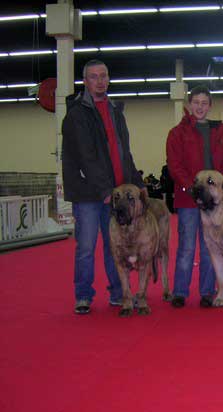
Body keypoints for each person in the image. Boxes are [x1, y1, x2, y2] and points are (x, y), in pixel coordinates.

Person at [62, 59, 145, 315]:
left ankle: (118, 293)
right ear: (85, 81)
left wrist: (139, 187)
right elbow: (87, 157)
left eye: (104, 76)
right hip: (89, 193)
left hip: (116, 194)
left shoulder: (116, 112)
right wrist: (105, 191)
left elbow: (124, 153)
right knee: (86, 246)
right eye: (94, 77)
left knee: (114, 247)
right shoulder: (77, 114)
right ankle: (83, 295)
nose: (100, 81)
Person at [166, 85, 223, 309]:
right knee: (186, 247)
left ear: (210, 106)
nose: (200, 107)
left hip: (214, 204)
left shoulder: (219, 133)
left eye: (204, 103)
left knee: (210, 248)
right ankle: (180, 291)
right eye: (196, 102)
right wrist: (191, 188)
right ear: (189, 104)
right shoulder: (176, 133)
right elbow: (174, 165)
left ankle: (207, 291)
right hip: (188, 199)